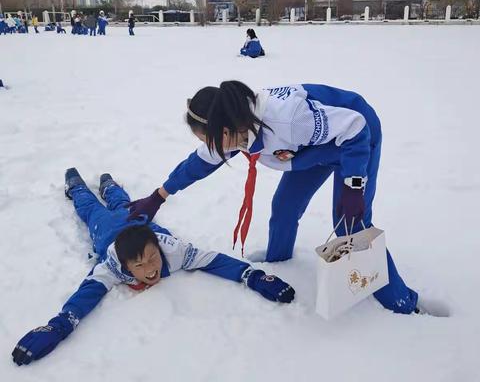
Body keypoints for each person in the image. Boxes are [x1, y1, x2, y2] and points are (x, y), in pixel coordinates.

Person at [127, 81, 451, 317]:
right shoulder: (232, 129)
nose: (211, 145)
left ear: (225, 127)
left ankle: (402, 304)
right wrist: (158, 196)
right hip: (307, 153)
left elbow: (355, 129)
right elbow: (197, 164)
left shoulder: (288, 119)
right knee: (283, 208)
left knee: (350, 227)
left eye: (208, 137)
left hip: (355, 138)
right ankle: (280, 259)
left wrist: (354, 185)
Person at [11, 168, 294, 366]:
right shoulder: (111, 265)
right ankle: (76, 185)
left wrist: (252, 276)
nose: (150, 269)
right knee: (91, 211)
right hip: (108, 231)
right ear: (125, 266)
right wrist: (57, 327)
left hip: (138, 223)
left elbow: (214, 260)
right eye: (140, 265)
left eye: (152, 259)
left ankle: (109, 184)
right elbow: (88, 293)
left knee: (124, 204)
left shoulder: (174, 251)